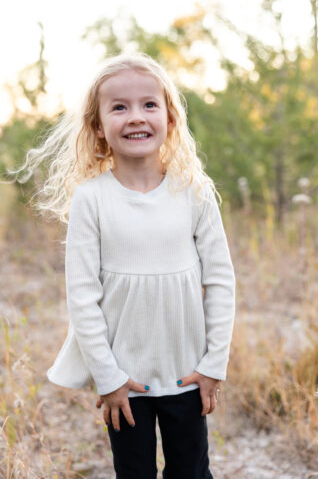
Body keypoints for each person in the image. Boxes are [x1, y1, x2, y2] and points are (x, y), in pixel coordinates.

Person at [15, 53, 235, 478]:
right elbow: (82, 297)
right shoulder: (91, 199)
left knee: (191, 470)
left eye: (149, 105)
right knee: (133, 471)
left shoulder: (194, 192)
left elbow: (221, 282)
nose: (136, 117)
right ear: (98, 126)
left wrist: (214, 364)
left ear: (170, 118)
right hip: (124, 379)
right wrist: (107, 376)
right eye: (119, 107)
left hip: (187, 374)